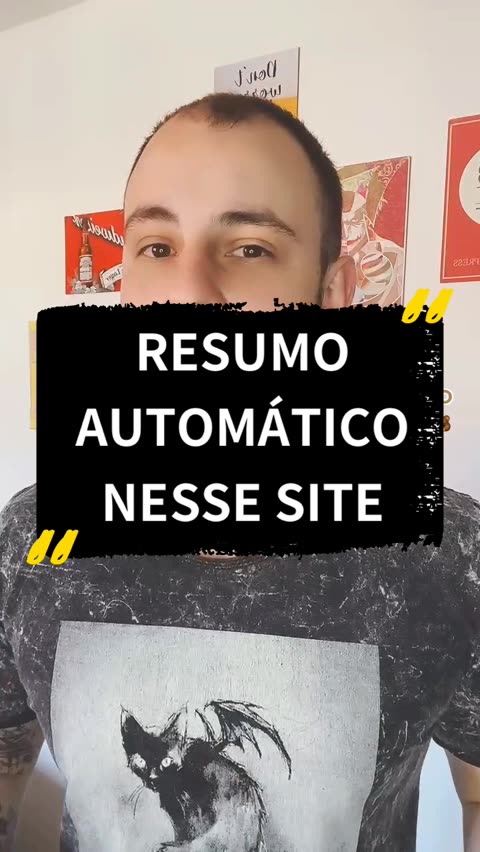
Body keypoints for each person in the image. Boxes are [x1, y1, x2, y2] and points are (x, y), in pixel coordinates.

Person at [0, 93, 479, 852]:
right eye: (156, 246)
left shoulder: (446, 551)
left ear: (331, 297)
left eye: (250, 247)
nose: (189, 292)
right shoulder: (33, 533)